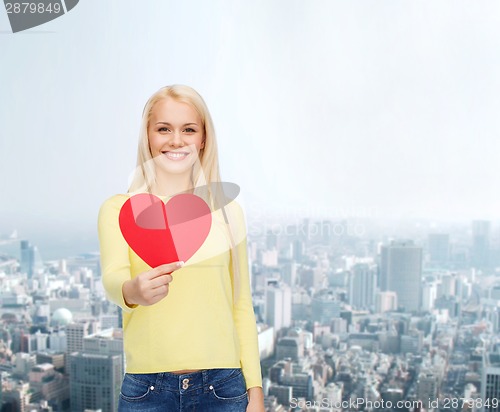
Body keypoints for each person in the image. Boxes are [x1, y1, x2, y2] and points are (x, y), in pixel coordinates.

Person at [97, 85, 265, 411]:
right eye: (164, 129)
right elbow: (112, 278)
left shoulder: (228, 213)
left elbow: (241, 305)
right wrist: (133, 291)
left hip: (224, 387)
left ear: (203, 139)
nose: (176, 140)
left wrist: (255, 391)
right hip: (146, 389)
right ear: (147, 136)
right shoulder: (118, 209)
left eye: (189, 129)